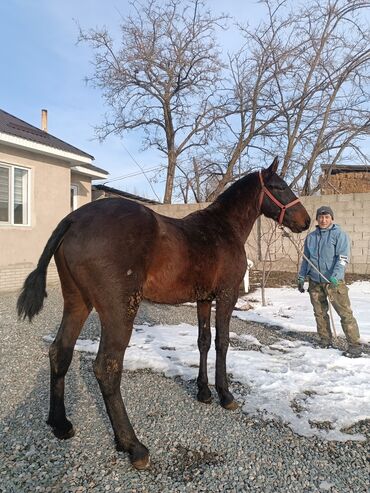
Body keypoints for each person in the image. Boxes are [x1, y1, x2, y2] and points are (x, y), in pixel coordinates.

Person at [298, 206, 362, 358]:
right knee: (320, 313)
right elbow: (306, 260)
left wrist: (336, 276)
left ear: (332, 218)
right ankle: (325, 340)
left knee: (345, 314)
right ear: (317, 219)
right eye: (321, 217)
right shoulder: (311, 237)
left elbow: (342, 258)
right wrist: (301, 276)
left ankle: (354, 345)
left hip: (333, 282)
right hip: (315, 281)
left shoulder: (339, 235)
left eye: (327, 217)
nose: (323, 220)